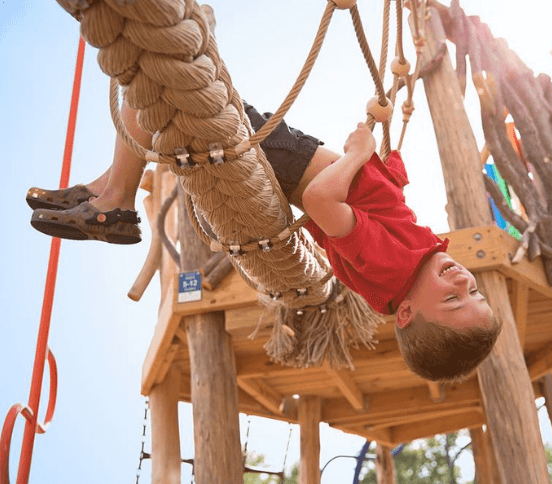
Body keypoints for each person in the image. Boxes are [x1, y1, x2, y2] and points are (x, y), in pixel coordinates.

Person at [27, 101, 501, 382]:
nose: (463, 280)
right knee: (162, 107)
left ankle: (117, 199)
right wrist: (388, 175)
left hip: (288, 162)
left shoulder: (394, 267)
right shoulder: (405, 269)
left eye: (454, 300)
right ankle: (106, 189)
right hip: (289, 164)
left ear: (407, 313)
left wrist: (359, 156)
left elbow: (321, 201)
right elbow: (377, 212)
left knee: (158, 98)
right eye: (473, 291)